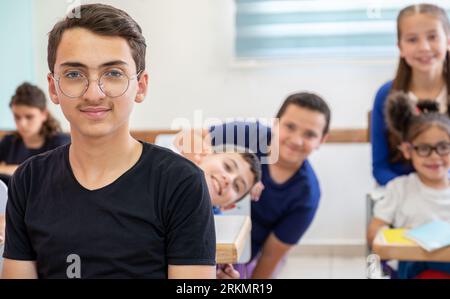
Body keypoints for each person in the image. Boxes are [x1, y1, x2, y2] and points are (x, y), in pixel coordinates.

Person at [1, 4, 216, 279]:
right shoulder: (28, 180)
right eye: (74, 74)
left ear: (141, 86)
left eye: (113, 73)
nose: (93, 93)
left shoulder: (181, 183)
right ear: (54, 88)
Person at [176, 92, 330, 278]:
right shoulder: (248, 133)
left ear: (322, 140)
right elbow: (188, 137)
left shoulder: (307, 196)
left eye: (310, 134)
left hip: (240, 258)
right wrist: (203, 157)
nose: (296, 140)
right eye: (290, 126)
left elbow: (270, 257)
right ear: (275, 123)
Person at [368, 91, 450, 279]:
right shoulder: (399, 188)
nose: (435, 156)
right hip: (412, 268)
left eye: (443, 147)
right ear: (407, 150)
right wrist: (389, 240)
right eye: (423, 148)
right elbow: (375, 230)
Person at [371, 3, 450, 186]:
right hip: (401, 198)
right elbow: (380, 167)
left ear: (447, 41)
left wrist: (439, 188)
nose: (424, 47)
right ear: (400, 47)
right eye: (412, 39)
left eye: (432, 37)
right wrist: (412, 193)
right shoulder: (386, 95)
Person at [0, 82, 70, 183]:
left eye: (29, 117)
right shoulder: (9, 141)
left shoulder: (61, 143)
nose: (22, 124)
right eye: (17, 117)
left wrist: (13, 169)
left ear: (44, 114)